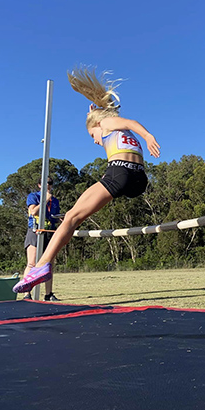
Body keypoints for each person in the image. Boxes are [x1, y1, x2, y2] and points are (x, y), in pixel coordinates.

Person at [13, 67, 161, 293]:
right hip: (139, 180)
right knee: (74, 218)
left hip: (119, 172)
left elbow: (130, 122)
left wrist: (148, 135)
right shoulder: (114, 128)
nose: (94, 141)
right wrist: (93, 113)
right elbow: (118, 121)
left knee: (71, 217)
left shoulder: (107, 124)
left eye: (92, 135)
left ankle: (41, 266)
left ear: (98, 126)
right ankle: (42, 267)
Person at [22, 177, 61, 301]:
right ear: (40, 185)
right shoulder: (33, 196)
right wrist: (45, 199)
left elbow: (54, 217)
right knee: (31, 263)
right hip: (35, 231)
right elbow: (33, 212)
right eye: (46, 183)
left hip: (49, 232)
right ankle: (27, 293)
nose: (48, 185)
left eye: (50, 183)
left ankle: (48, 294)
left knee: (49, 264)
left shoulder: (55, 201)